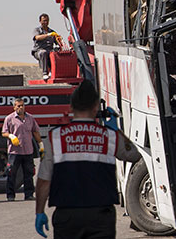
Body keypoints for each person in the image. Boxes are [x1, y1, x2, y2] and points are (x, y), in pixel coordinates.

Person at [34, 81, 141, 238]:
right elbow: (134, 155)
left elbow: (44, 180)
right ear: (96, 107)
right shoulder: (110, 136)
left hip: (67, 216)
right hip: (101, 216)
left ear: (71, 107)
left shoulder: (54, 137)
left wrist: (39, 212)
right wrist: (117, 131)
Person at [2, 98, 43, 201]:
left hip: (28, 150)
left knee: (29, 173)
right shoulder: (9, 118)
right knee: (12, 173)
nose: (20, 107)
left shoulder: (30, 118)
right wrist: (10, 136)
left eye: (22, 105)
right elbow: (4, 132)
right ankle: (10, 195)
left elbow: (35, 132)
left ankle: (29, 194)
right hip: (14, 151)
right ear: (14, 107)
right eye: (18, 106)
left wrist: (41, 144)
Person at [32, 13, 60, 80]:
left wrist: (59, 39)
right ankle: (45, 73)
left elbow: (58, 42)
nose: (45, 22)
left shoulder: (52, 31)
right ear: (40, 21)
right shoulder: (37, 30)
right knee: (43, 52)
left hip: (49, 50)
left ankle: (53, 71)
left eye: (47, 20)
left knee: (54, 53)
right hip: (38, 51)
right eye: (44, 21)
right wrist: (48, 35)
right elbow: (37, 37)